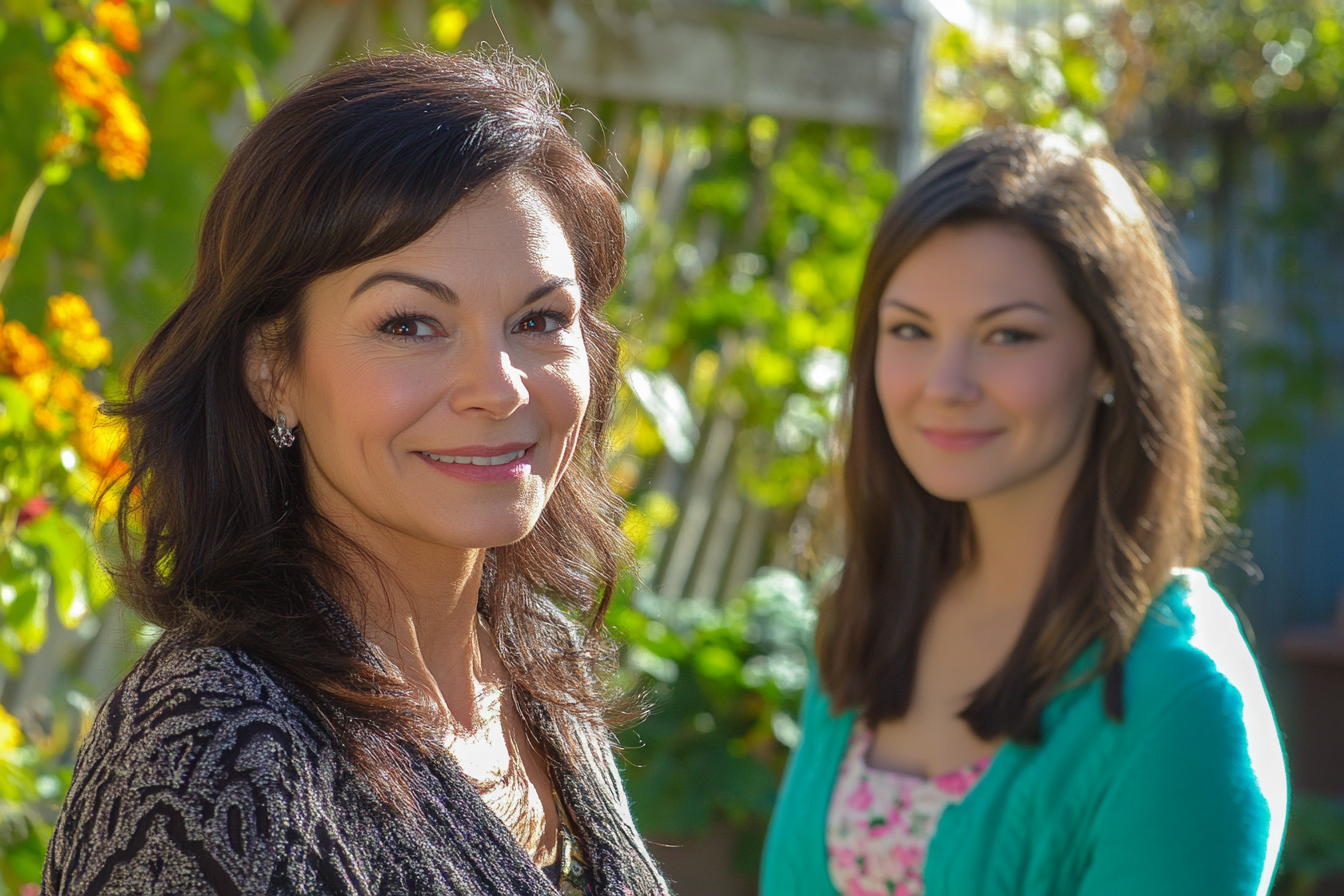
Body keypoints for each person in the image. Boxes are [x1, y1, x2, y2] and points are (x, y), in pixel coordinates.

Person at [44, 50, 668, 896]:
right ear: (272, 369)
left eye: (538, 318)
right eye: (411, 324)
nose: (497, 387)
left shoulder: (536, 658)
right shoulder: (211, 753)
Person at [761, 125, 1288, 896]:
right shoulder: (862, 615)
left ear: (1109, 355)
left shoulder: (1186, 701)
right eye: (910, 330)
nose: (946, 382)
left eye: (1008, 335)